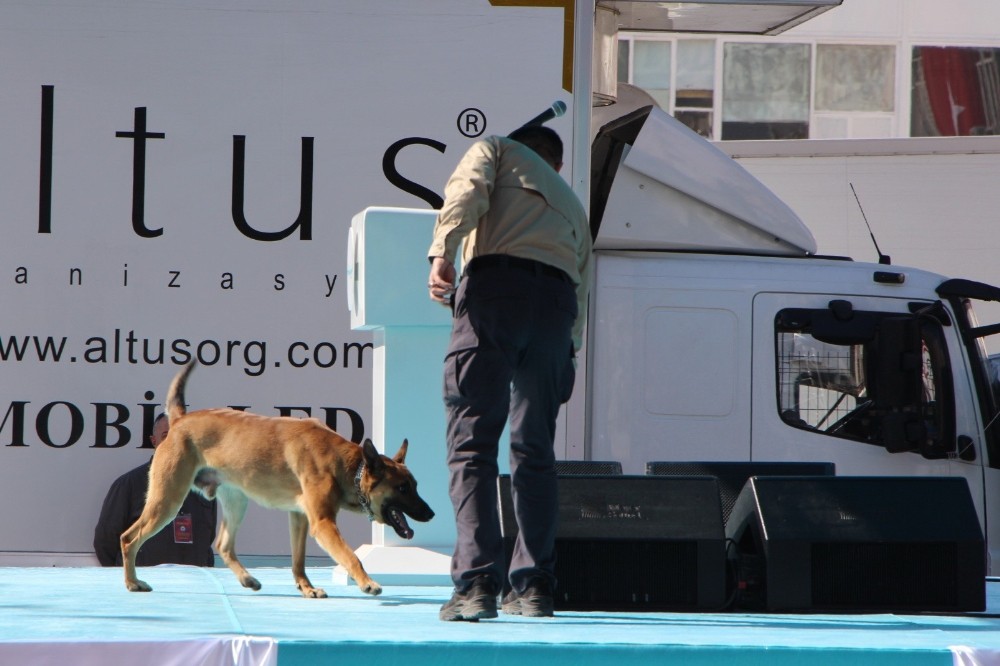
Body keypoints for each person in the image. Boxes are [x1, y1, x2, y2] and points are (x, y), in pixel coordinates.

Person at [427, 124, 592, 621]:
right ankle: (534, 587)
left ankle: (477, 585)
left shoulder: (494, 149)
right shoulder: (574, 210)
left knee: (473, 443)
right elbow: (582, 288)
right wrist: (570, 353)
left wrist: (442, 252)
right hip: (556, 312)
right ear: (557, 165)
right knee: (534, 452)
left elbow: (466, 192)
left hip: (497, 290)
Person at [93, 413, 217, 567]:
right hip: (146, 587)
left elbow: (207, 539)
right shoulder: (129, 485)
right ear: (154, 441)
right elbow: (105, 542)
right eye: (166, 435)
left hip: (193, 588)